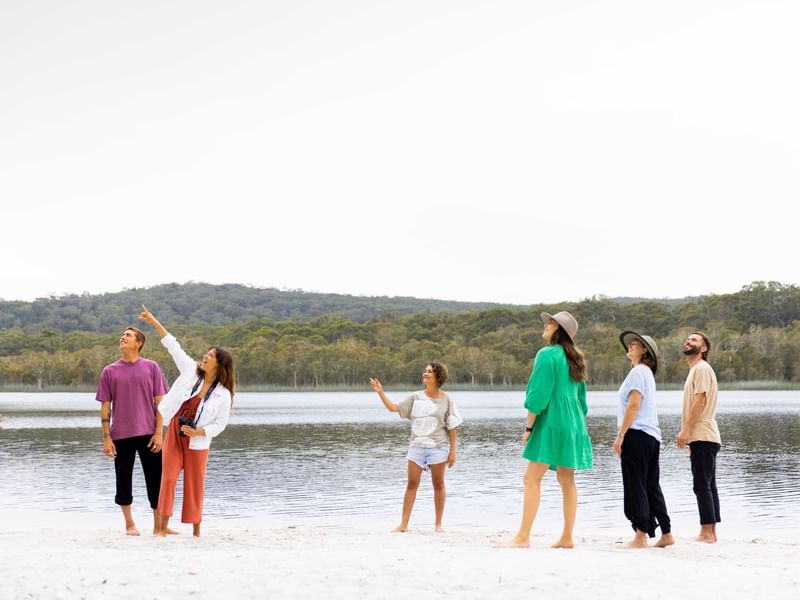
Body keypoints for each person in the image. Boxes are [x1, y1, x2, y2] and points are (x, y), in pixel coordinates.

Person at [138, 305, 234, 537]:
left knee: (194, 484)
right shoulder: (190, 370)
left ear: (219, 364)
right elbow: (173, 345)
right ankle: (160, 529)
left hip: (197, 441)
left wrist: (199, 432)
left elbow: (219, 425)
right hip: (175, 432)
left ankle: (196, 531)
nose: (205, 356)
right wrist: (153, 321)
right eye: (207, 353)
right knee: (168, 478)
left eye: (210, 355)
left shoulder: (224, 394)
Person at [504, 311, 592, 549]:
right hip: (574, 425)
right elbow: (582, 403)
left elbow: (538, 397)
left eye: (551, 323)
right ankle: (567, 537)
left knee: (531, 478)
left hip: (551, 422)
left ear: (559, 330)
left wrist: (529, 427)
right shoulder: (576, 359)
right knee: (567, 480)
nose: (545, 325)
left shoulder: (546, 355)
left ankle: (523, 537)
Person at [369, 362, 463, 533]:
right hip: (416, 448)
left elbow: (452, 426)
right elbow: (393, 408)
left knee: (439, 485)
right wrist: (380, 392)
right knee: (412, 484)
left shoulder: (447, 399)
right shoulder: (415, 397)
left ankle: (438, 524)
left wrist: (453, 451)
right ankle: (403, 524)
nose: (425, 373)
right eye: (425, 371)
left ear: (438, 376)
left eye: (429, 371)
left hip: (438, 448)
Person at [96, 325, 168, 536]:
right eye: (122, 335)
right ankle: (129, 524)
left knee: (156, 480)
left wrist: (159, 433)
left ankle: (158, 526)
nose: (123, 337)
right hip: (121, 436)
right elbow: (105, 406)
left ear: (139, 343)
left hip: (149, 434)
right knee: (123, 480)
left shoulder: (152, 367)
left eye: (128, 336)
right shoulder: (109, 371)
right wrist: (106, 438)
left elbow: (160, 405)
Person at [614, 331, 674, 548]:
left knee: (635, 485)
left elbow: (634, 404)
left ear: (645, 351)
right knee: (650, 485)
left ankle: (640, 535)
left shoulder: (639, 371)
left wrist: (621, 435)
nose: (630, 345)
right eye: (630, 343)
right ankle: (666, 532)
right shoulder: (646, 372)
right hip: (651, 436)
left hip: (637, 435)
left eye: (636, 343)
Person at [676, 331, 721, 543]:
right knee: (708, 485)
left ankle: (706, 533)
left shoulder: (701, 368)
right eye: (688, 338)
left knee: (702, 485)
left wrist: (686, 430)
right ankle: (711, 532)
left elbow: (700, 401)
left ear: (703, 349)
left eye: (694, 340)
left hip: (703, 432)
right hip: (704, 435)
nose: (688, 341)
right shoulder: (696, 370)